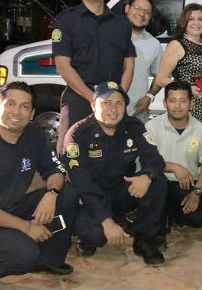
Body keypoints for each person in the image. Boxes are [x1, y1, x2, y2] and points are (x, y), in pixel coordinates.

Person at [0, 82, 77, 286]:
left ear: (32, 113)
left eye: (24, 106)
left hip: (13, 205)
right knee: (25, 256)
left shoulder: (33, 133)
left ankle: (49, 260)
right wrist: (26, 227)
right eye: (10, 104)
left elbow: (56, 170)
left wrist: (51, 194)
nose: (17, 111)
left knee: (66, 194)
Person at [64, 81, 168, 266]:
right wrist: (106, 222)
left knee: (158, 182)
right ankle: (88, 235)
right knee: (97, 236)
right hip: (91, 197)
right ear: (93, 105)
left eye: (119, 103)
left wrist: (147, 176)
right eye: (107, 102)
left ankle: (144, 239)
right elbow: (82, 183)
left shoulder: (134, 126)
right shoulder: (77, 134)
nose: (114, 108)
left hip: (120, 190)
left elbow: (154, 158)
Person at [52, 0, 136, 155]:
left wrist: (118, 96)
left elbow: (129, 64)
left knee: (114, 154)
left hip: (111, 99)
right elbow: (63, 66)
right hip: (80, 97)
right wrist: (93, 98)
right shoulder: (66, 20)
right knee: (72, 153)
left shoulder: (121, 23)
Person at [145, 81, 202, 233]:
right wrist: (174, 167)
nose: (177, 106)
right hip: (158, 182)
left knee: (200, 217)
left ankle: (171, 212)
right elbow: (147, 161)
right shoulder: (152, 127)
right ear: (164, 103)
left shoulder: (201, 129)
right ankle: (167, 213)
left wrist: (197, 192)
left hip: (186, 185)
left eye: (183, 101)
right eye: (172, 100)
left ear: (191, 104)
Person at [156, 3, 202, 122]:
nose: (196, 23)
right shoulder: (176, 45)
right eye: (191, 19)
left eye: (200, 19)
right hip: (186, 112)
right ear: (184, 22)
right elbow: (160, 79)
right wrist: (188, 89)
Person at [124, 0, 163, 123]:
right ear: (127, 8)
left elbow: (160, 75)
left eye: (147, 12)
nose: (142, 14)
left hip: (137, 112)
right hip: (108, 110)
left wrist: (149, 96)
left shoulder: (154, 44)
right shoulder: (110, 36)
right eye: (138, 8)